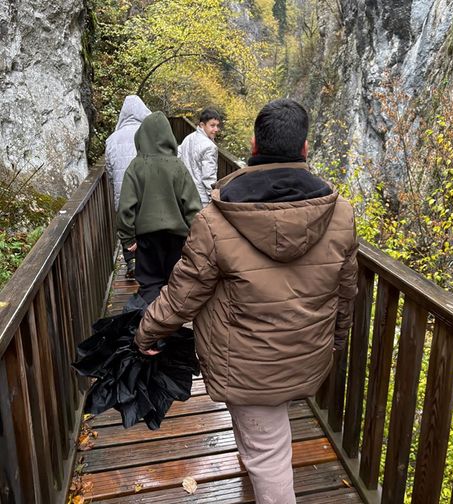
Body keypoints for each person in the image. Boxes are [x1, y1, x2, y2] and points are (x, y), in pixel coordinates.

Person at [134, 98, 358, 504]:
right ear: (304, 150)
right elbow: (346, 292)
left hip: (247, 361)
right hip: (307, 350)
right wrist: (335, 342)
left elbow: (185, 292)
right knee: (266, 429)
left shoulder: (216, 219)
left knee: (268, 453)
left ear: (254, 144)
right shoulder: (340, 213)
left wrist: (146, 331)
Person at [117, 112, 202, 304]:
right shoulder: (178, 166)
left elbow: (126, 208)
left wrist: (128, 238)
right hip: (177, 239)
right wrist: (196, 238)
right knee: (176, 284)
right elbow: (193, 207)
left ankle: (151, 327)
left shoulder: (135, 167)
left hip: (146, 239)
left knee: (149, 284)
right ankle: (172, 326)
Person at [104, 95, 151, 277]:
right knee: (145, 223)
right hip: (143, 189)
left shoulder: (112, 139)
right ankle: (146, 261)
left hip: (122, 190)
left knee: (127, 225)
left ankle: (130, 260)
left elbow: (109, 169)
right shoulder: (146, 133)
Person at [178, 108, 221, 206]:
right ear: (202, 125)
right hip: (202, 198)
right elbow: (209, 176)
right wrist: (213, 199)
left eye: (217, 126)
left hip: (185, 193)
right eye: (212, 125)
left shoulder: (188, 138)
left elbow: (178, 156)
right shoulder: (210, 147)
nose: (216, 129)